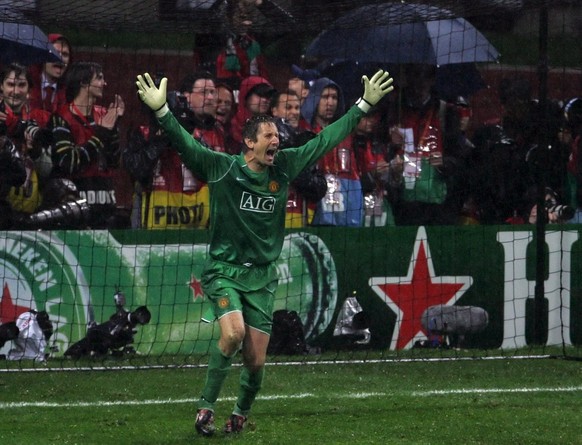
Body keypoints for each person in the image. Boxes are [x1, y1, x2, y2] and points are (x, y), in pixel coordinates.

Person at [135, 68, 394, 436]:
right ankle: (205, 409)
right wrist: (163, 112)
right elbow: (187, 145)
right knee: (233, 334)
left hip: (262, 277)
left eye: (277, 135)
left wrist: (363, 104)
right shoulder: (223, 168)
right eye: (269, 135)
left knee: (255, 363)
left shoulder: (283, 167)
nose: (277, 140)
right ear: (249, 143)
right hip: (224, 271)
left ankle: (239, 413)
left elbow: (324, 141)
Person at [123, 71, 225, 229]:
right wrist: (164, 134)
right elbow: (136, 169)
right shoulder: (142, 134)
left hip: (195, 227)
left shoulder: (197, 133)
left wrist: (180, 132)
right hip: (150, 230)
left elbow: (212, 170)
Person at [48, 61, 126, 229]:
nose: (104, 83)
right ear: (83, 82)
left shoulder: (103, 114)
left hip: (104, 207)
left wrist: (113, 129)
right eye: (99, 78)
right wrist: (102, 133)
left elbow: (114, 162)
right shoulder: (61, 117)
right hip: (74, 210)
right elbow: (69, 162)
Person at [388, 63, 467, 226]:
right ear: (408, 78)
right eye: (415, 75)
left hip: (438, 206)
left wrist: (445, 162)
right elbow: (381, 152)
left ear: (432, 80)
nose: (419, 82)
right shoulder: (395, 110)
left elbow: (461, 158)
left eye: (424, 76)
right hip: (404, 204)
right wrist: (390, 144)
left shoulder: (446, 112)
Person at [301, 77, 364, 226]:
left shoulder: (346, 135)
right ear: (315, 99)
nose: (330, 102)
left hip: (347, 208)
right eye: (325, 97)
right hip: (316, 209)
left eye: (334, 97)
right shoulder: (305, 134)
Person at [270, 89, 326, 227]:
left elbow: (319, 187)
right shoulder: (262, 140)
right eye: (288, 107)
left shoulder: (304, 141)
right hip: (270, 217)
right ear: (274, 111)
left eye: (297, 108)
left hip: (300, 218)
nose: (294, 112)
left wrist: (300, 176)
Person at [28, 34, 72, 113]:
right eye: (55, 52)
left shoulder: (70, 92)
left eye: (65, 54)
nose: (60, 58)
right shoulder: (26, 83)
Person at [229, 75, 275, 147]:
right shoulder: (230, 126)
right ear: (245, 96)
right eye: (260, 94)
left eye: (268, 96)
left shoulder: (274, 126)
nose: (265, 100)